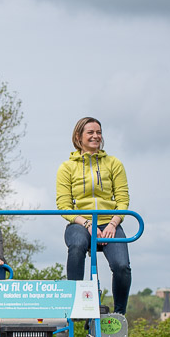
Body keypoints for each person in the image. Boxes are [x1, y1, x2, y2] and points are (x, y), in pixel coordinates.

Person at [56, 117, 131, 314]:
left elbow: (122, 200)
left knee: (122, 266)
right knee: (77, 246)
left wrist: (113, 224)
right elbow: (64, 206)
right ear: (78, 136)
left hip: (109, 221)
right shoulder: (67, 167)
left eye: (98, 132)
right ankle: (76, 303)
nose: (96, 136)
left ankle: (119, 314)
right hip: (80, 222)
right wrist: (88, 224)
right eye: (90, 132)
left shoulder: (113, 164)